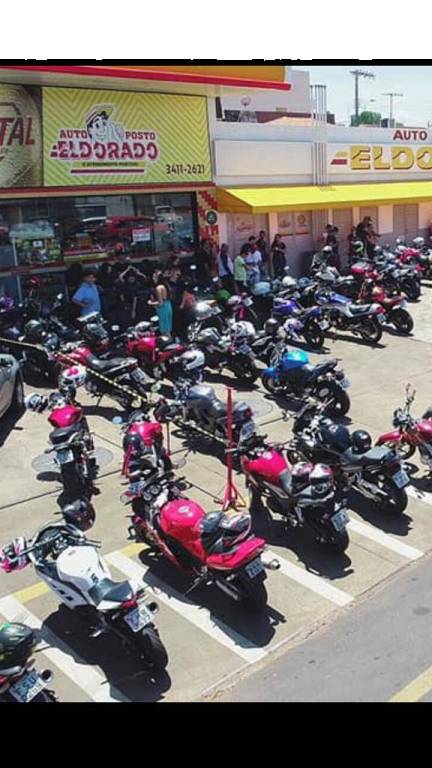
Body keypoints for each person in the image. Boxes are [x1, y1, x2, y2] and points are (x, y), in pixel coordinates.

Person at [148, 271, 173, 335]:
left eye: (154, 277)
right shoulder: (165, 286)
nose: (153, 278)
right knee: (168, 330)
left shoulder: (158, 288)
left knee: (164, 331)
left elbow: (160, 303)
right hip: (168, 306)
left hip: (163, 309)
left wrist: (150, 303)